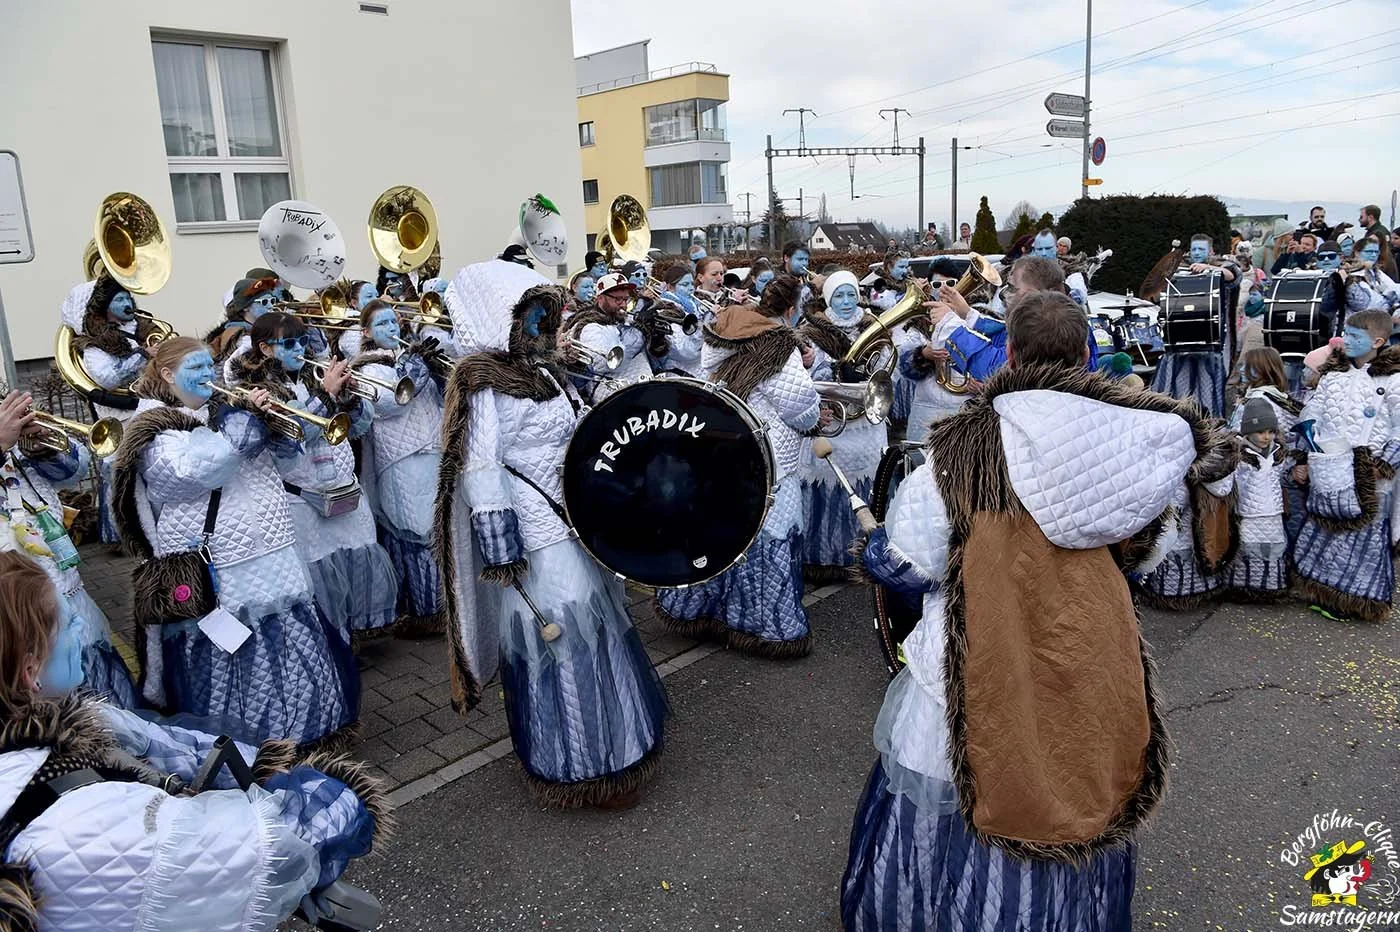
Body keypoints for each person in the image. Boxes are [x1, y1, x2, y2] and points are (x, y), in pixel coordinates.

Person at [841, 290, 1235, 932]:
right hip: (1090, 649)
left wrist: (880, 546)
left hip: (974, 658)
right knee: (1079, 777)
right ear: (1085, 354)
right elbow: (1148, 557)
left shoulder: (963, 450)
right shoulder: (1143, 441)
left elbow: (906, 567)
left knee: (960, 785)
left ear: (1011, 354)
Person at [0, 551, 389, 931]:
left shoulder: (77, 723)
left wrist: (253, 766)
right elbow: (268, 847)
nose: (83, 630)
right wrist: (339, 796)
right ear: (30, 669)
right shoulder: (87, 820)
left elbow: (165, 744)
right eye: (69, 624)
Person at [434, 261, 668, 808]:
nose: (545, 324)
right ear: (503, 319)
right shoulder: (482, 382)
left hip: (576, 518)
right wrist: (502, 549)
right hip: (534, 535)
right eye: (533, 315)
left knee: (599, 624)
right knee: (565, 635)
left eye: (546, 312)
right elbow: (481, 469)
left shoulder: (547, 371)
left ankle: (618, 749)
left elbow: (577, 430)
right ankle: (580, 762)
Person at [112, 336, 357, 746]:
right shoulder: (152, 428)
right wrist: (247, 419)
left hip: (273, 552)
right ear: (168, 374)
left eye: (209, 365)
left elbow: (289, 457)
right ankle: (247, 749)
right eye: (195, 368)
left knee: (292, 645)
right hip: (220, 564)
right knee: (236, 661)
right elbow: (193, 471)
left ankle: (307, 733)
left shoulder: (225, 409)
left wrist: (292, 417)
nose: (207, 374)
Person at [655, 274, 824, 657]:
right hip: (769, 459)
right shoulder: (779, 347)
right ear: (791, 310)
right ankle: (766, 626)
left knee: (721, 532)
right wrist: (817, 415)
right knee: (768, 535)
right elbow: (800, 407)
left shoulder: (725, 333)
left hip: (725, 454)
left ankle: (702, 610)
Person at [229, 313, 400, 638]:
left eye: (302, 341)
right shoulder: (256, 390)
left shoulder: (315, 374)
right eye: (289, 343)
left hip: (342, 485)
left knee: (357, 556)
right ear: (265, 348)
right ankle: (334, 641)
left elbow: (359, 427)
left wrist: (349, 397)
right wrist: (325, 394)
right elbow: (293, 437)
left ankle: (357, 634)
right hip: (302, 497)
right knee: (320, 573)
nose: (299, 349)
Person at [0, 390, 136, 708]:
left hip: (67, 590)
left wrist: (41, 445)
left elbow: (75, 470)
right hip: (18, 610)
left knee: (107, 698)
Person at [1292, 310, 1400, 621]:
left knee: (1364, 537)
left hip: (1370, 473)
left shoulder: (1394, 380)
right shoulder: (1332, 376)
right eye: (1346, 334)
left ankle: (1356, 600)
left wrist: (1383, 464)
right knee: (1326, 527)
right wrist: (1305, 456)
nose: (1346, 340)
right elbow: (1314, 414)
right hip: (1329, 465)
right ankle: (1324, 591)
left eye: (1355, 336)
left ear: (1377, 342)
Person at [352, 301, 446, 638]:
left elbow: (442, 398)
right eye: (382, 324)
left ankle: (441, 605)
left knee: (437, 531)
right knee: (415, 533)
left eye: (394, 322)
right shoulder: (366, 369)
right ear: (366, 332)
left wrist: (437, 369)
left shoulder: (408, 357)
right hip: (401, 460)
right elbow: (393, 401)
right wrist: (417, 365)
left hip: (433, 451)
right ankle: (425, 610)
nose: (391, 329)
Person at [59, 273, 163, 544]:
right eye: (119, 299)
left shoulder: (137, 333)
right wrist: (142, 356)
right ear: (103, 308)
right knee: (120, 474)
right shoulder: (94, 346)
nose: (127, 302)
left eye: (128, 297)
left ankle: (153, 525)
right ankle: (119, 534)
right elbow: (107, 378)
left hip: (145, 406)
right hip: (119, 415)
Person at [797, 272, 885, 579]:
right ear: (828, 299)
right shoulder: (811, 332)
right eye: (838, 296)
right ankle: (825, 557)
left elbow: (887, 369)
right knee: (829, 479)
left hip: (865, 422)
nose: (846, 302)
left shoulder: (873, 325)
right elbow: (805, 376)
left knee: (867, 478)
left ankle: (867, 551)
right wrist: (827, 367)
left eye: (850, 295)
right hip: (833, 420)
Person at [1152, 234, 1239, 417]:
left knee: (1209, 387)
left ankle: (1210, 422)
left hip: (1212, 341)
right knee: (1179, 385)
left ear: (1211, 251)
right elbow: (1157, 296)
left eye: (1201, 249)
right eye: (1194, 249)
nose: (1197, 253)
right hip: (1181, 339)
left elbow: (1233, 276)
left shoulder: (1222, 266)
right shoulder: (1180, 269)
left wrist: (1208, 268)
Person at [1216, 397, 1292, 601]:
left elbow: (1284, 477)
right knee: (1247, 548)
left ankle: (1270, 587)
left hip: (1273, 512)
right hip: (1248, 513)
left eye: (1271, 431)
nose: (1266, 437)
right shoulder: (1238, 456)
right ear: (1248, 431)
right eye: (1260, 432)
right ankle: (1241, 588)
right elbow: (1225, 483)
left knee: (1273, 547)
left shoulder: (1279, 454)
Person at [564, 272, 656, 402]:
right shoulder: (590, 327)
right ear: (600, 298)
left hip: (641, 388)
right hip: (613, 396)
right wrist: (640, 330)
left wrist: (657, 337)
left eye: (625, 299)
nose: (623, 305)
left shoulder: (624, 320)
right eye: (617, 299)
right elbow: (608, 362)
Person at [782, 242, 822, 321]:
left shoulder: (803, 277)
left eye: (806, 259)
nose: (804, 263)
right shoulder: (778, 281)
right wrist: (813, 286)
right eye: (800, 259)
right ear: (786, 258)